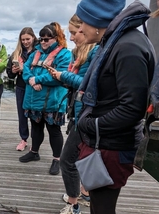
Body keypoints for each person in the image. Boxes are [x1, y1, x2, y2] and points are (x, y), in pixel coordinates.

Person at [75, 0, 155, 213]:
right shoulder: (116, 41)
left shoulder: (128, 46)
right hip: (103, 143)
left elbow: (133, 109)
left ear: (97, 19)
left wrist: (90, 125)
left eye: (82, 21)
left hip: (112, 147)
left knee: (102, 208)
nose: (80, 28)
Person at [48, 14, 98, 214]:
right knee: (82, 157)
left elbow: (88, 84)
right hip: (79, 113)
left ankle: (73, 203)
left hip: (85, 115)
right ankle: (85, 192)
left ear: (83, 28)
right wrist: (62, 78)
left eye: (72, 33)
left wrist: (62, 75)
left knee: (67, 159)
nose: (70, 38)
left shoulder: (95, 52)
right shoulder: (79, 54)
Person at [19, 22, 71, 176]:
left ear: (55, 38)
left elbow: (60, 75)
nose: (43, 42)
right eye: (41, 39)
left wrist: (38, 79)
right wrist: (31, 80)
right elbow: (26, 69)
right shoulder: (35, 52)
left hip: (52, 101)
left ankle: (57, 159)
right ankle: (34, 152)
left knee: (54, 130)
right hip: (34, 99)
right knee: (35, 127)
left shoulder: (65, 54)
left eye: (47, 39)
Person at [6, 27, 38, 151]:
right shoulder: (16, 53)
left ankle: (35, 142)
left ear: (33, 38)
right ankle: (23, 139)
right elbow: (9, 74)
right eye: (23, 39)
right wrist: (13, 71)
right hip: (21, 87)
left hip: (34, 87)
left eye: (28, 39)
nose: (25, 42)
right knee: (22, 115)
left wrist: (24, 68)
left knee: (35, 116)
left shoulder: (39, 52)